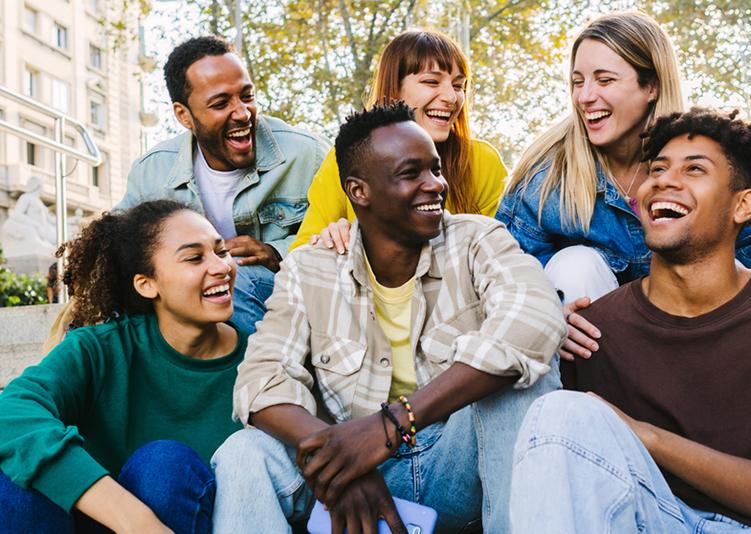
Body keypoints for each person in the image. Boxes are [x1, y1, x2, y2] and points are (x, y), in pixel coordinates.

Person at [211, 104, 566, 533]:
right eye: (410, 173)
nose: (435, 185)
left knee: (521, 388)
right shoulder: (310, 268)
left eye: (434, 169)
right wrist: (343, 456)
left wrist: (392, 424)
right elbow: (261, 379)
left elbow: (535, 321)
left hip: (457, 466)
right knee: (244, 452)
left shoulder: (478, 239)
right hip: (357, 475)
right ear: (359, 191)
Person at [510, 108, 751, 532]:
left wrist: (645, 437)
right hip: (642, 519)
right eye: (657, 168)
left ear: (743, 205)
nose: (664, 180)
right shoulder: (590, 331)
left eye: (694, 169)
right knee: (557, 411)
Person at [495, 11, 751, 360]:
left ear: (651, 86)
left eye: (604, 80)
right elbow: (503, 271)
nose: (585, 97)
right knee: (575, 264)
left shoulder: (699, 152)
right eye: (578, 81)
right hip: (591, 354)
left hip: (688, 335)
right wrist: (546, 316)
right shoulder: (548, 177)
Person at [0, 200, 247, 533]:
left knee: (164, 466)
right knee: (17, 475)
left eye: (222, 251)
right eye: (195, 257)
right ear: (147, 284)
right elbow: (11, 412)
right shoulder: (99, 349)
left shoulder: (262, 360)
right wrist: (133, 519)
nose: (221, 267)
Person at [118, 36, 329, 334]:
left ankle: (258, 379)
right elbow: (115, 246)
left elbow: (354, 233)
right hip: (188, 305)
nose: (242, 113)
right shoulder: (151, 172)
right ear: (184, 115)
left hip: (287, 296)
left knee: (233, 278)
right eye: (221, 103)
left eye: (247, 96)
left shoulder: (308, 154)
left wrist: (277, 251)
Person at [289, 29, 507, 253]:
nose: (451, 98)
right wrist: (328, 240)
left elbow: (502, 250)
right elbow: (300, 254)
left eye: (458, 85)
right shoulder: (346, 159)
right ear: (395, 89)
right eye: (431, 82)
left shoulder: (481, 160)